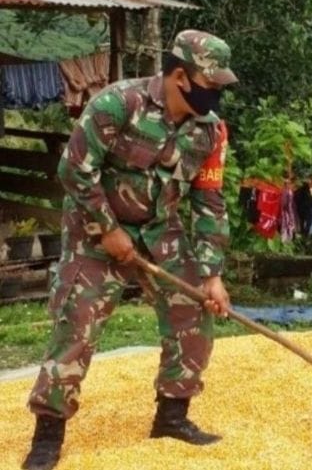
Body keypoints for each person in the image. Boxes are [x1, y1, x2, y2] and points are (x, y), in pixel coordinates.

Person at [22, 30, 238, 470]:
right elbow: (74, 170)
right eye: (211, 84)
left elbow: (209, 199)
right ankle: (47, 436)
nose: (216, 94)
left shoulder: (211, 132)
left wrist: (213, 273)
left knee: (193, 309)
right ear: (181, 76)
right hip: (95, 234)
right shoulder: (118, 104)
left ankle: (172, 418)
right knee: (76, 324)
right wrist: (107, 229)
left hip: (163, 233)